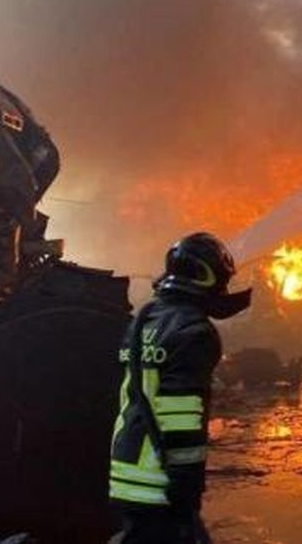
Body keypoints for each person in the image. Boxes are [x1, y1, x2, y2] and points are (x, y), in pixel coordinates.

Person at [108, 232, 251, 543]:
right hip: (158, 480)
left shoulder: (145, 320)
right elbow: (180, 413)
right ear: (206, 276)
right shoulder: (194, 331)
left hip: (125, 472)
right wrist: (186, 485)